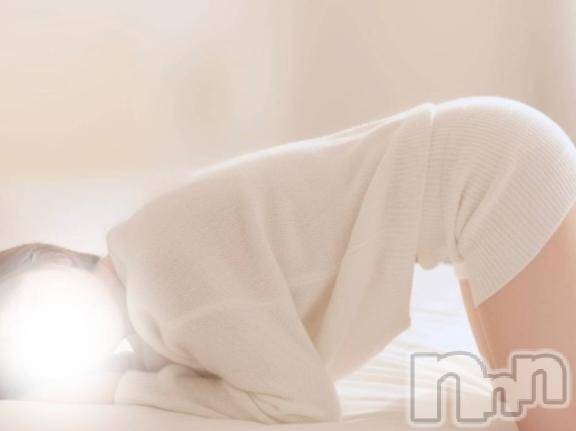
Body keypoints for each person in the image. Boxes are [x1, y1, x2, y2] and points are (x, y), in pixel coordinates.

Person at [0, 96, 575, 430]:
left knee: (546, 412)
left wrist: (120, 390)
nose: (53, 327)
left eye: (35, 302)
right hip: (482, 157)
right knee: (527, 399)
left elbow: (301, 406)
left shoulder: (160, 277)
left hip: (493, 171)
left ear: (57, 259)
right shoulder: (143, 259)